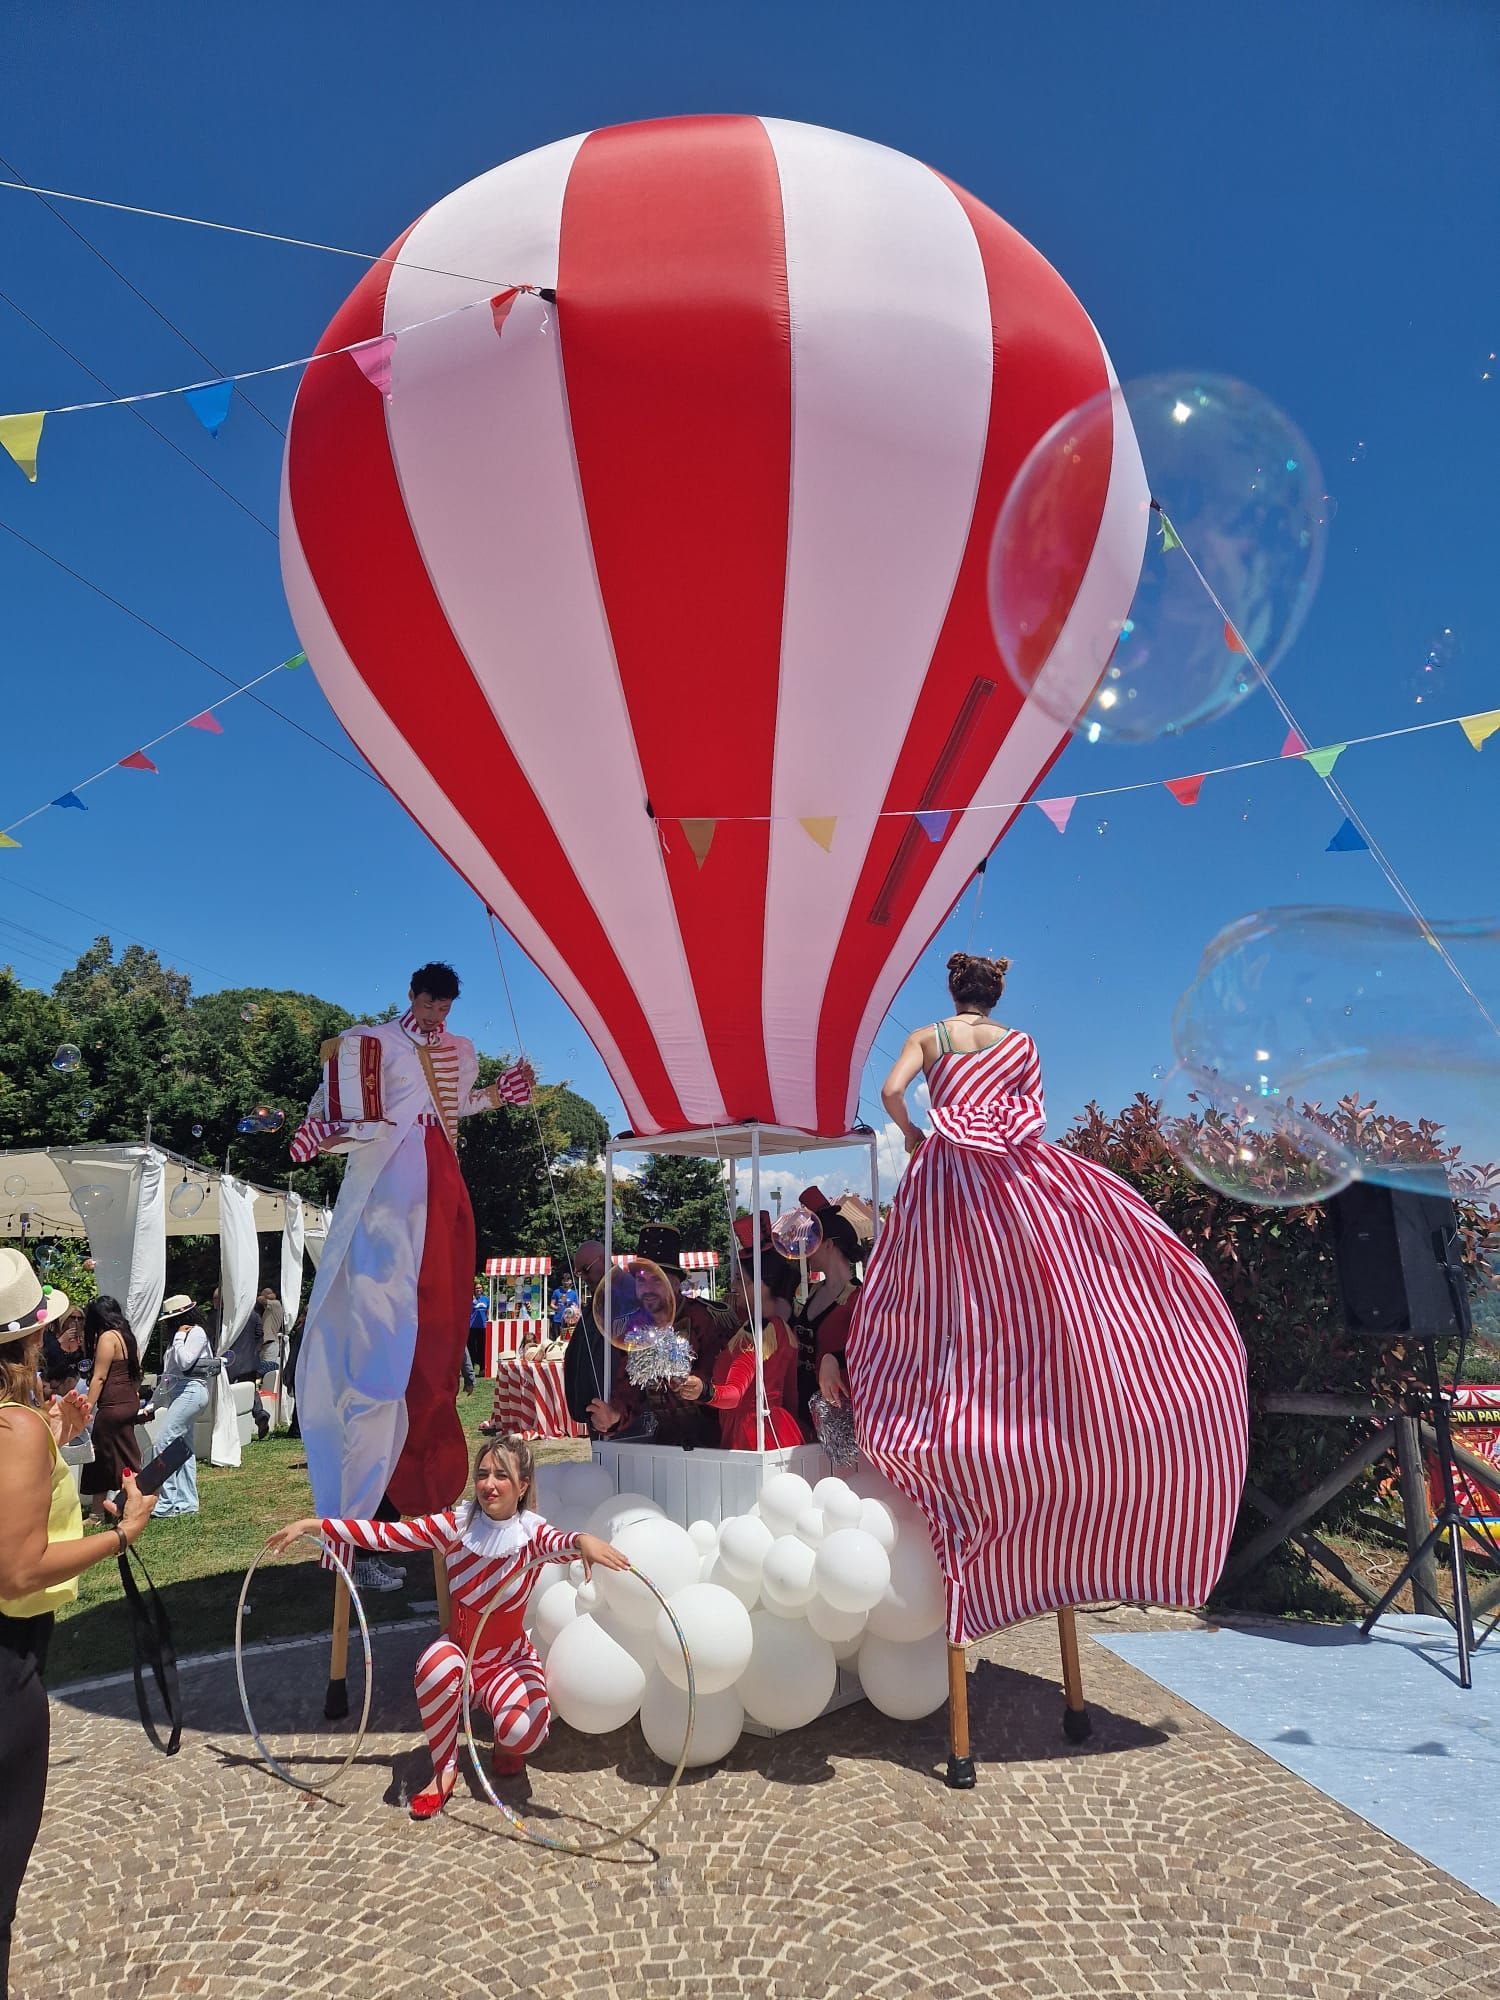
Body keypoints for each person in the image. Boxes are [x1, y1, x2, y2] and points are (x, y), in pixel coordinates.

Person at [848, 951, 1249, 1645]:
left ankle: (947, 1431)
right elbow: (1027, 1116)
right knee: (1040, 1293)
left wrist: (916, 1132)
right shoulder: (1021, 1044)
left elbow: (888, 1092)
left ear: (952, 989)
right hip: (1010, 1182)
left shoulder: (928, 1039)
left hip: (946, 1184)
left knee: (944, 1309)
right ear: (995, 994)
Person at [268, 1435, 628, 1818]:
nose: (489, 1484)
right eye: (483, 1474)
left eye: (502, 1476)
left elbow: (565, 1540)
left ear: (523, 1486)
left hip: (508, 1660)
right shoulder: (455, 1525)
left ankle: (507, 1747)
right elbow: (388, 1536)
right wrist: (316, 1525)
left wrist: (585, 1539)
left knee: (526, 1730)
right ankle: (444, 1770)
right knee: (435, 1669)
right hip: (461, 1654)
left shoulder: (531, 1533)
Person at [288, 961, 533, 1522]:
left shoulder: (461, 1050)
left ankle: (419, 1484)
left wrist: (498, 1094)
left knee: (438, 1324)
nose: (436, 1016)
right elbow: (340, 1109)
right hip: (386, 1187)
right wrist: (321, 1132)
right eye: (429, 1006)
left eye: (444, 1008)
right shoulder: (367, 1043)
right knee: (379, 1323)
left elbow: (456, 1107)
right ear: (412, 996)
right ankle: (366, 1503)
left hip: (439, 1183)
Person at [0, 1249, 157, 1990]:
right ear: (30, 1339)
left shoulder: (22, 1428)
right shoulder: (17, 1429)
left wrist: (54, 1438)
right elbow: (21, 1567)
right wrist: (122, 1535)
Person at [586, 1224, 734, 1448]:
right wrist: (614, 1415)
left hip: (716, 1443)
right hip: (667, 1442)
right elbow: (629, 1389)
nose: (647, 1289)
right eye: (641, 1280)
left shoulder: (704, 1319)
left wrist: (701, 1387)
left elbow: (726, 1381)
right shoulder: (635, 1329)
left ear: (676, 1283)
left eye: (657, 1280)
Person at [680, 1221, 805, 1450]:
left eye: (741, 1279)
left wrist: (705, 1391)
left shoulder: (759, 1334)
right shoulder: (783, 1330)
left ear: (761, 1286)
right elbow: (791, 1398)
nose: (734, 1285)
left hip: (750, 1434)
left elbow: (735, 1394)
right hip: (779, 1429)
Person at [790, 1187, 864, 1424]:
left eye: (812, 1242)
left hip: (840, 1411)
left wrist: (835, 1358)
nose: (807, 1251)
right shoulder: (813, 1293)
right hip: (803, 1406)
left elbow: (870, 1351)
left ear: (829, 1244)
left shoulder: (858, 1298)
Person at [149, 1296, 216, 1519]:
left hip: (191, 1392)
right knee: (183, 1449)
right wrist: (151, 1405)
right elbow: (168, 1377)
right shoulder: (178, 1339)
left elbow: (186, 1362)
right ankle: (186, 1501)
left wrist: (179, 1337)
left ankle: (165, 1503)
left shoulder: (195, 1333)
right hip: (181, 1394)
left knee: (163, 1442)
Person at [78, 1296, 143, 1511]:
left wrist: (86, 1406)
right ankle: (104, 1510)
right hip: (128, 1401)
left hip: (112, 1405)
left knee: (103, 1457)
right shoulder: (129, 1337)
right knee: (122, 1453)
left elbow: (99, 1377)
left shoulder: (108, 1338)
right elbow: (136, 1373)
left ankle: (107, 1509)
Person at [561, 1242, 609, 1433]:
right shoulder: (596, 1304)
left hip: (621, 1418)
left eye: (586, 1270)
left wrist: (619, 1412)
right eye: (580, 1273)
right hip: (596, 1414)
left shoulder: (624, 1298)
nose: (585, 1278)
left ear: (604, 1260)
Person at [223, 1291, 274, 1441]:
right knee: (251, 1390)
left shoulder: (228, 1317)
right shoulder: (254, 1316)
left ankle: (229, 1425)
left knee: (227, 1391)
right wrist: (254, 1352)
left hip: (230, 1360)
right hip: (250, 1360)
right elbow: (260, 1336)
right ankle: (260, 1414)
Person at [39, 1305, 86, 1399]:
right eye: (72, 1317)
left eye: (80, 1318)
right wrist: (60, 1341)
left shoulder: (84, 1340)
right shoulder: (50, 1337)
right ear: (64, 1319)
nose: (76, 1321)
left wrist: (83, 1347)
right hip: (54, 1389)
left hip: (79, 1390)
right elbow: (43, 1358)